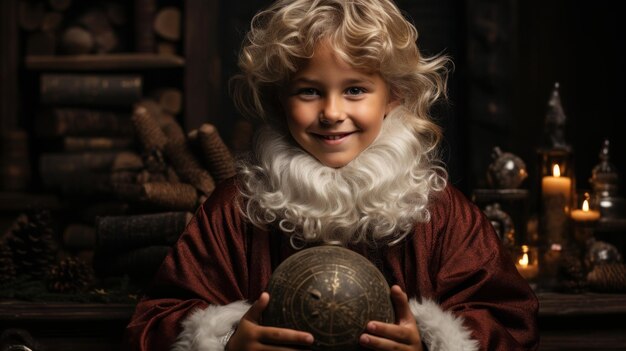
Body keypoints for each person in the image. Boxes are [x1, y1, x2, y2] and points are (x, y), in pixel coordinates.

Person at [125, 0, 539, 350]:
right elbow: (158, 315)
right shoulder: (237, 207)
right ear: (278, 99)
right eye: (309, 91)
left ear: (393, 96)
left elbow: (508, 314)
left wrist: (429, 343)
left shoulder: (437, 208)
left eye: (355, 90)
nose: (332, 113)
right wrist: (228, 342)